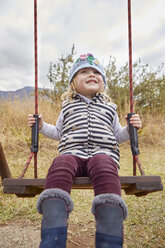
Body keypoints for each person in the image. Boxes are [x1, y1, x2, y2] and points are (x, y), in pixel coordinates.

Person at [28, 53, 142, 248]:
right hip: (72, 153)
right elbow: (57, 132)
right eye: (84, 71)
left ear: (102, 81)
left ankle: (110, 239)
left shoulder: (109, 108)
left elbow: (116, 136)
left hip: (103, 154)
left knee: (104, 165)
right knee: (60, 163)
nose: (91, 74)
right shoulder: (67, 107)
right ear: (73, 81)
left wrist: (131, 128)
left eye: (96, 72)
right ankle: (52, 237)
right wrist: (40, 126)